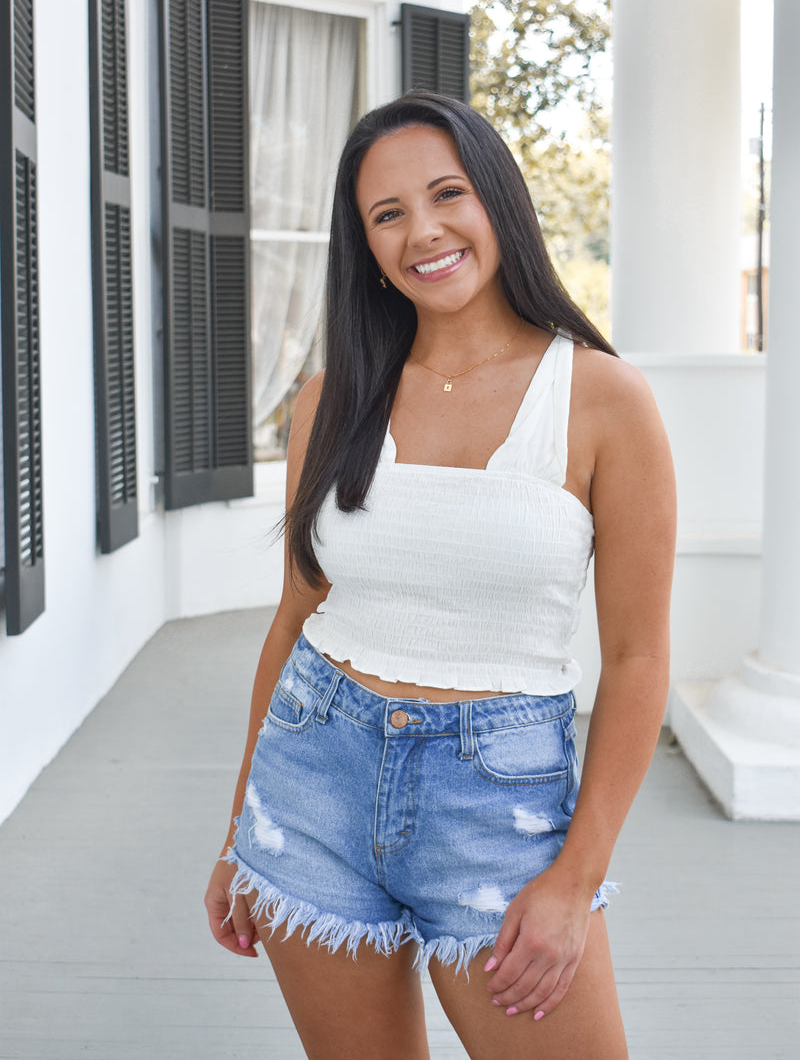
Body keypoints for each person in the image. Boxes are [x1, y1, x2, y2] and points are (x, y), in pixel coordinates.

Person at [204, 92, 676, 1059]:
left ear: (497, 198)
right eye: (387, 214)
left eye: (447, 193)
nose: (423, 231)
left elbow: (635, 657)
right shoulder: (328, 402)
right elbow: (297, 614)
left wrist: (573, 879)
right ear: (366, 245)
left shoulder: (602, 398)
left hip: (497, 801)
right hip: (312, 779)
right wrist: (237, 828)